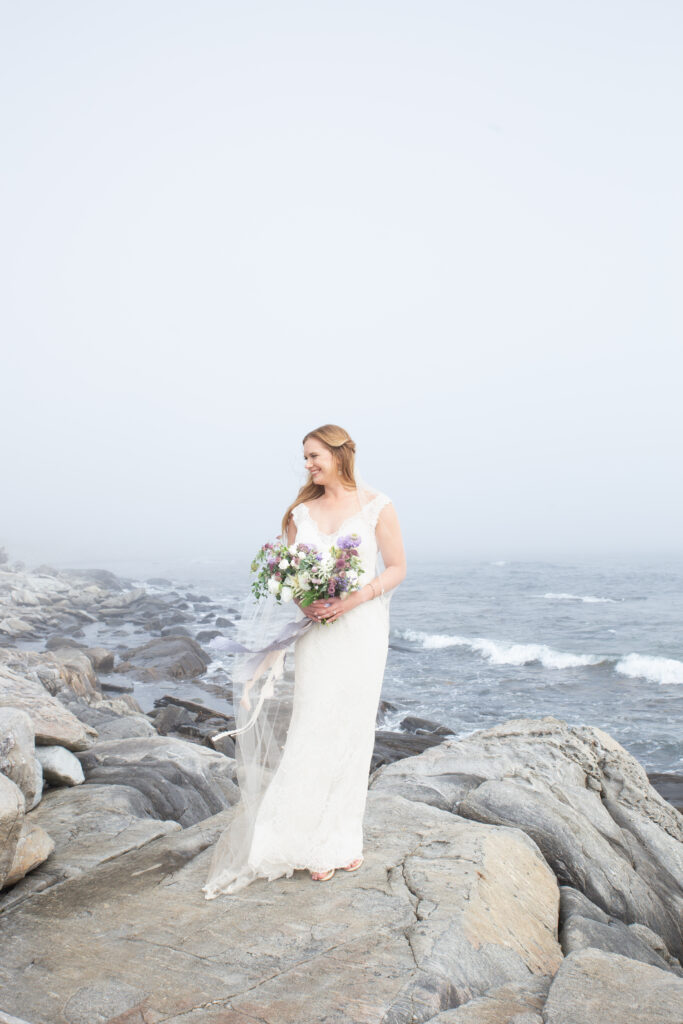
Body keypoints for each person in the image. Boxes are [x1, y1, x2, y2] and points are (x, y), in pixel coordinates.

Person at [202, 423, 406, 897]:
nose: (309, 465)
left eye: (315, 456)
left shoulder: (378, 505)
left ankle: (338, 841)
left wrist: (350, 601)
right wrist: (307, 604)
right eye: (306, 458)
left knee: (353, 730)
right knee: (313, 724)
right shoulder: (301, 512)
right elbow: (292, 575)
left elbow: (396, 567)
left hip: (361, 632)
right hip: (318, 633)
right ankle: (289, 836)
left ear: (340, 454)